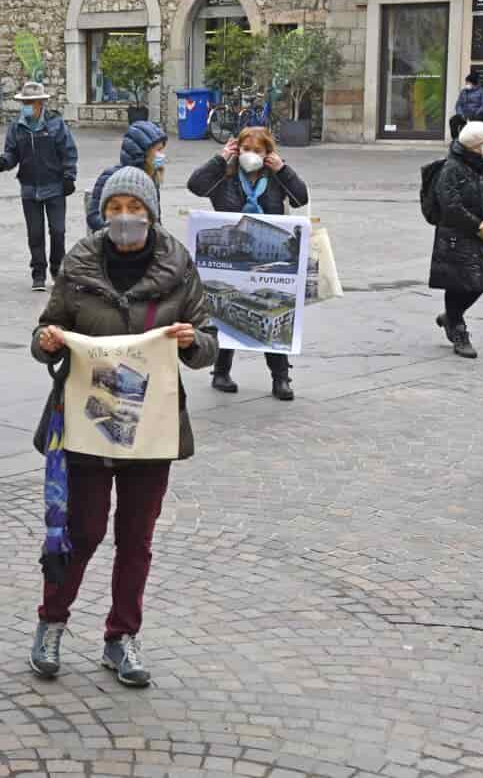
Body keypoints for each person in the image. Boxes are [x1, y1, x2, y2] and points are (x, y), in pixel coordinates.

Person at [30, 166, 217, 687]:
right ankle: (51, 623)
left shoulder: (179, 267)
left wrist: (190, 343)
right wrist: (45, 341)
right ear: (102, 214)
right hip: (88, 426)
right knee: (81, 533)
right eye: (115, 209)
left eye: (135, 210)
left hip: (152, 427)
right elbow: (46, 329)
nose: (125, 219)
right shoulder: (79, 264)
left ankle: (121, 636)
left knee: (136, 539)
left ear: (151, 215)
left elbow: (208, 343)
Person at [187, 126, 310, 400]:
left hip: (267, 262)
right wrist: (220, 159)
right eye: (246, 149)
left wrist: (283, 170)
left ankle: (281, 378)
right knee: (225, 315)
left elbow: (301, 198)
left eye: (257, 150)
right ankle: (221, 372)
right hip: (230, 259)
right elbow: (195, 185)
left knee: (270, 313)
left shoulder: (275, 180)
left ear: (267, 154)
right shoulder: (225, 178)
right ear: (237, 149)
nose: (250, 155)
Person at [0, 82, 79, 291]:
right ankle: (38, 273)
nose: (27, 105)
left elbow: (68, 151)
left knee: (58, 231)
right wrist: (5, 161)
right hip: (29, 188)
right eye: (24, 102)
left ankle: (57, 268)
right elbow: (12, 152)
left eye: (31, 102)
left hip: (55, 186)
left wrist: (69, 176)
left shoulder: (56, 124)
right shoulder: (17, 127)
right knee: (35, 233)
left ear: (41, 103)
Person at [429, 121, 483, 359]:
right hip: (454, 236)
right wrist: (476, 225)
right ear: (473, 145)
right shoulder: (451, 168)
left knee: (482, 281)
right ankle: (458, 329)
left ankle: (451, 316)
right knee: (458, 282)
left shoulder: (482, 166)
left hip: (480, 233)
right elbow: (450, 206)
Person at [86, 120, 168, 232]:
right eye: (158, 150)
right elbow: (93, 217)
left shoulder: (152, 179)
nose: (162, 155)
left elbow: (155, 218)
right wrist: (120, 228)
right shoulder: (111, 176)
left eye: (163, 149)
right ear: (144, 152)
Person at [452, 72, 483, 139]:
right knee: (453, 120)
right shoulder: (463, 92)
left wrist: (475, 114)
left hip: (477, 115)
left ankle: (474, 140)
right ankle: (456, 140)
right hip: (464, 115)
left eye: (468, 83)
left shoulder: (482, 91)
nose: (466, 84)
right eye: (466, 82)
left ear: (473, 83)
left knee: (476, 121)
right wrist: (461, 114)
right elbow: (458, 105)